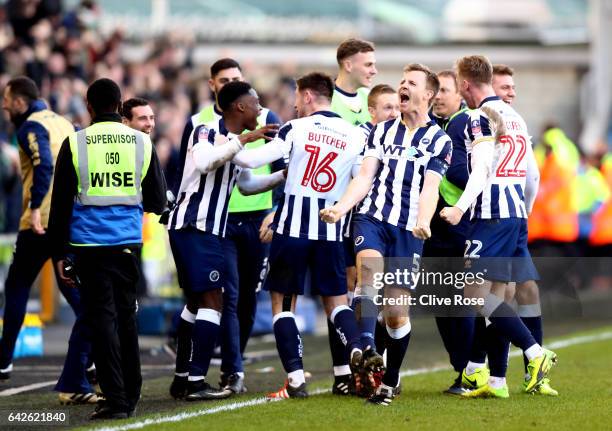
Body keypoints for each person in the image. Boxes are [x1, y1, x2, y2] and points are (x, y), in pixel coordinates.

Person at [231, 72, 379, 399]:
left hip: (292, 231)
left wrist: (233, 141)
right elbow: (360, 182)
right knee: (336, 302)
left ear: (308, 96)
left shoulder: (295, 128)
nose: (296, 104)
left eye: (298, 97)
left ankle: (296, 379)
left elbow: (253, 159)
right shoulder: (356, 136)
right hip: (330, 230)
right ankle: (355, 347)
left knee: (283, 306)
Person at [321, 64, 452, 406]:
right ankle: (365, 346)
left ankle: (390, 380)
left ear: (428, 94)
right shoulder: (381, 132)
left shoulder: (440, 140)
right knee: (368, 274)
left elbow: (431, 187)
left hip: (409, 230)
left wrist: (424, 220)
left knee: (396, 314)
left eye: (411, 84)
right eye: (402, 82)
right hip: (373, 218)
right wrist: (341, 207)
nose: (403, 87)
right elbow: (364, 178)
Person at [48, 78, 167, 419]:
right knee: (127, 318)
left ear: (88, 105)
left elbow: (59, 208)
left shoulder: (76, 143)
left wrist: (60, 255)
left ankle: (116, 398)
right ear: (119, 106)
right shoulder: (142, 143)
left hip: (87, 245)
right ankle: (132, 390)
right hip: (127, 243)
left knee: (102, 320)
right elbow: (158, 200)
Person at [439, 55, 557, 399]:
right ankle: (496, 380)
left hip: (490, 215)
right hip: (515, 214)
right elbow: (532, 175)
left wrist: (460, 208)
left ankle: (535, 353)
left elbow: (480, 170)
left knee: (475, 294)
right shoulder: (516, 117)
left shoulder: (480, 118)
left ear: (464, 85)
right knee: (500, 295)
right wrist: (525, 212)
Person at [167, 81, 283, 401]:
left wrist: (285, 175)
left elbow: (247, 184)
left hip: (204, 231)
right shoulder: (205, 130)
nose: (261, 109)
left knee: (196, 304)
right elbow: (205, 162)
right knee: (214, 302)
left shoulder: (232, 142)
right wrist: (243, 140)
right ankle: (195, 382)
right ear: (240, 107)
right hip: (194, 226)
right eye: (256, 102)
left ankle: (181, 379)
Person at [0, 76, 98, 406]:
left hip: (39, 223)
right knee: (75, 293)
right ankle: (94, 360)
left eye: (6, 99)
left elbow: (44, 166)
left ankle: (3, 360)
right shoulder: (66, 124)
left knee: (15, 288)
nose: (3, 105)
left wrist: (35, 208)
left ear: (19, 101)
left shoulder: (29, 127)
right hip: (69, 221)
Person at [491, 66, 558, 396]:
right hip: (498, 220)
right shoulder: (483, 119)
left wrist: (525, 210)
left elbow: (532, 174)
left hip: (512, 220)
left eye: (513, 86)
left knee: (524, 290)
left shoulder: (514, 119)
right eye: (505, 86)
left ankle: (534, 371)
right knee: (501, 295)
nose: (512, 91)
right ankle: (496, 376)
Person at [327, 37, 377, 393]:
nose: (373, 69)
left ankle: (367, 365)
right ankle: (342, 371)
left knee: (366, 285)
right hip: (332, 210)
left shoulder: (369, 103)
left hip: (364, 210)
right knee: (340, 289)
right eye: (368, 64)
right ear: (348, 64)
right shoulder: (325, 102)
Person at [424, 69, 476, 395]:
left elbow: (470, 174)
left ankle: (474, 371)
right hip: (431, 227)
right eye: (436, 90)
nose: (438, 96)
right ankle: (461, 368)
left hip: (462, 224)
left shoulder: (468, 124)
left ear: (460, 94)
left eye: (445, 90)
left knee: (465, 303)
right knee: (441, 304)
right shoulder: (427, 127)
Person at [331, 38, 377, 126]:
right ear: (348, 66)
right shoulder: (325, 100)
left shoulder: (370, 97)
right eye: (368, 65)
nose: (374, 71)